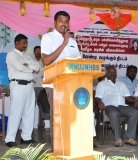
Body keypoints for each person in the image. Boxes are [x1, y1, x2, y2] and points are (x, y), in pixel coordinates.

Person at [40, 11, 81, 147]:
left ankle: (69, 144)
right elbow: (46, 60)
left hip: (71, 83)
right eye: (60, 20)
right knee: (57, 116)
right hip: (54, 83)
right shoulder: (48, 38)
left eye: (66, 21)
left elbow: (78, 62)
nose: (63, 23)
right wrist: (64, 43)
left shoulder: (73, 41)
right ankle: (57, 147)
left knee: (70, 116)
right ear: (55, 23)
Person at [5, 34, 40, 147]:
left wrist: (28, 65)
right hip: (18, 85)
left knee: (29, 112)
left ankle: (26, 137)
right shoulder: (11, 55)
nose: (25, 45)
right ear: (17, 43)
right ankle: (9, 139)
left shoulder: (27, 56)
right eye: (23, 43)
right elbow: (20, 67)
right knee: (16, 112)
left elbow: (37, 67)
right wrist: (29, 67)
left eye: (26, 43)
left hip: (30, 86)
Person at [95, 65, 138, 147]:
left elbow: (128, 97)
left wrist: (136, 100)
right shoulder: (102, 84)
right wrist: (99, 102)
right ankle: (118, 138)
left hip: (122, 106)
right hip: (109, 106)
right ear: (106, 73)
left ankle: (129, 138)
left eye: (114, 72)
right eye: (110, 72)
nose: (112, 74)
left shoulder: (121, 83)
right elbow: (97, 97)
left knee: (134, 112)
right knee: (114, 113)